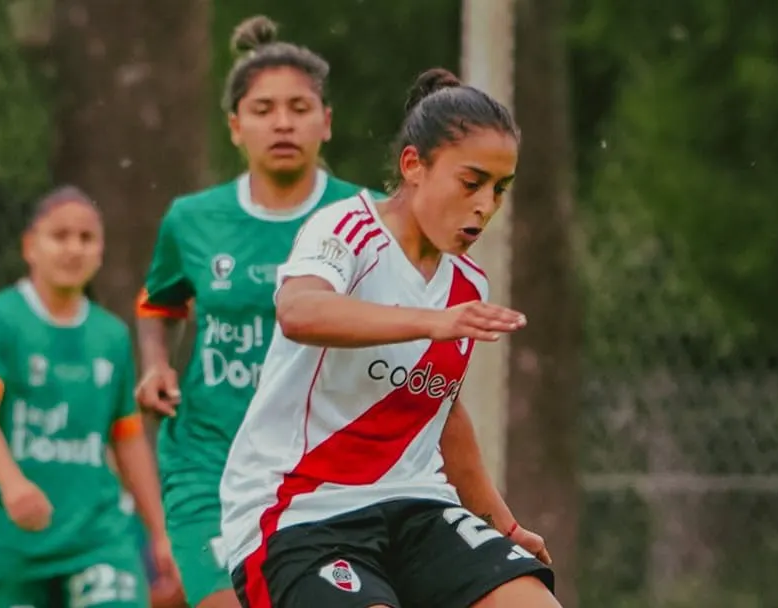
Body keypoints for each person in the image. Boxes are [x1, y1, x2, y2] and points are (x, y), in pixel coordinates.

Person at [220, 67, 559, 608]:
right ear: (413, 166)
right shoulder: (348, 231)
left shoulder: (467, 281)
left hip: (416, 505)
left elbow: (440, 412)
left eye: (500, 189)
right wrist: (429, 322)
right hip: (302, 511)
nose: (486, 205)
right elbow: (299, 310)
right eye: (471, 183)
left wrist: (504, 524)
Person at [134, 15, 378, 608]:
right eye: (264, 109)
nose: (283, 122)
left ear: (326, 122)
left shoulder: (368, 216)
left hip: (317, 468)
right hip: (207, 459)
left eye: (300, 107)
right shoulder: (192, 219)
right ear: (236, 127)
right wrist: (156, 364)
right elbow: (156, 301)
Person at [0, 186, 177, 608]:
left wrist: (160, 533)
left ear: (100, 252)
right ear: (30, 247)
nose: (73, 249)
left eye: (86, 238)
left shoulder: (110, 335)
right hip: (9, 544)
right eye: (60, 236)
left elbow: (126, 439)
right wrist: (13, 484)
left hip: (96, 538)